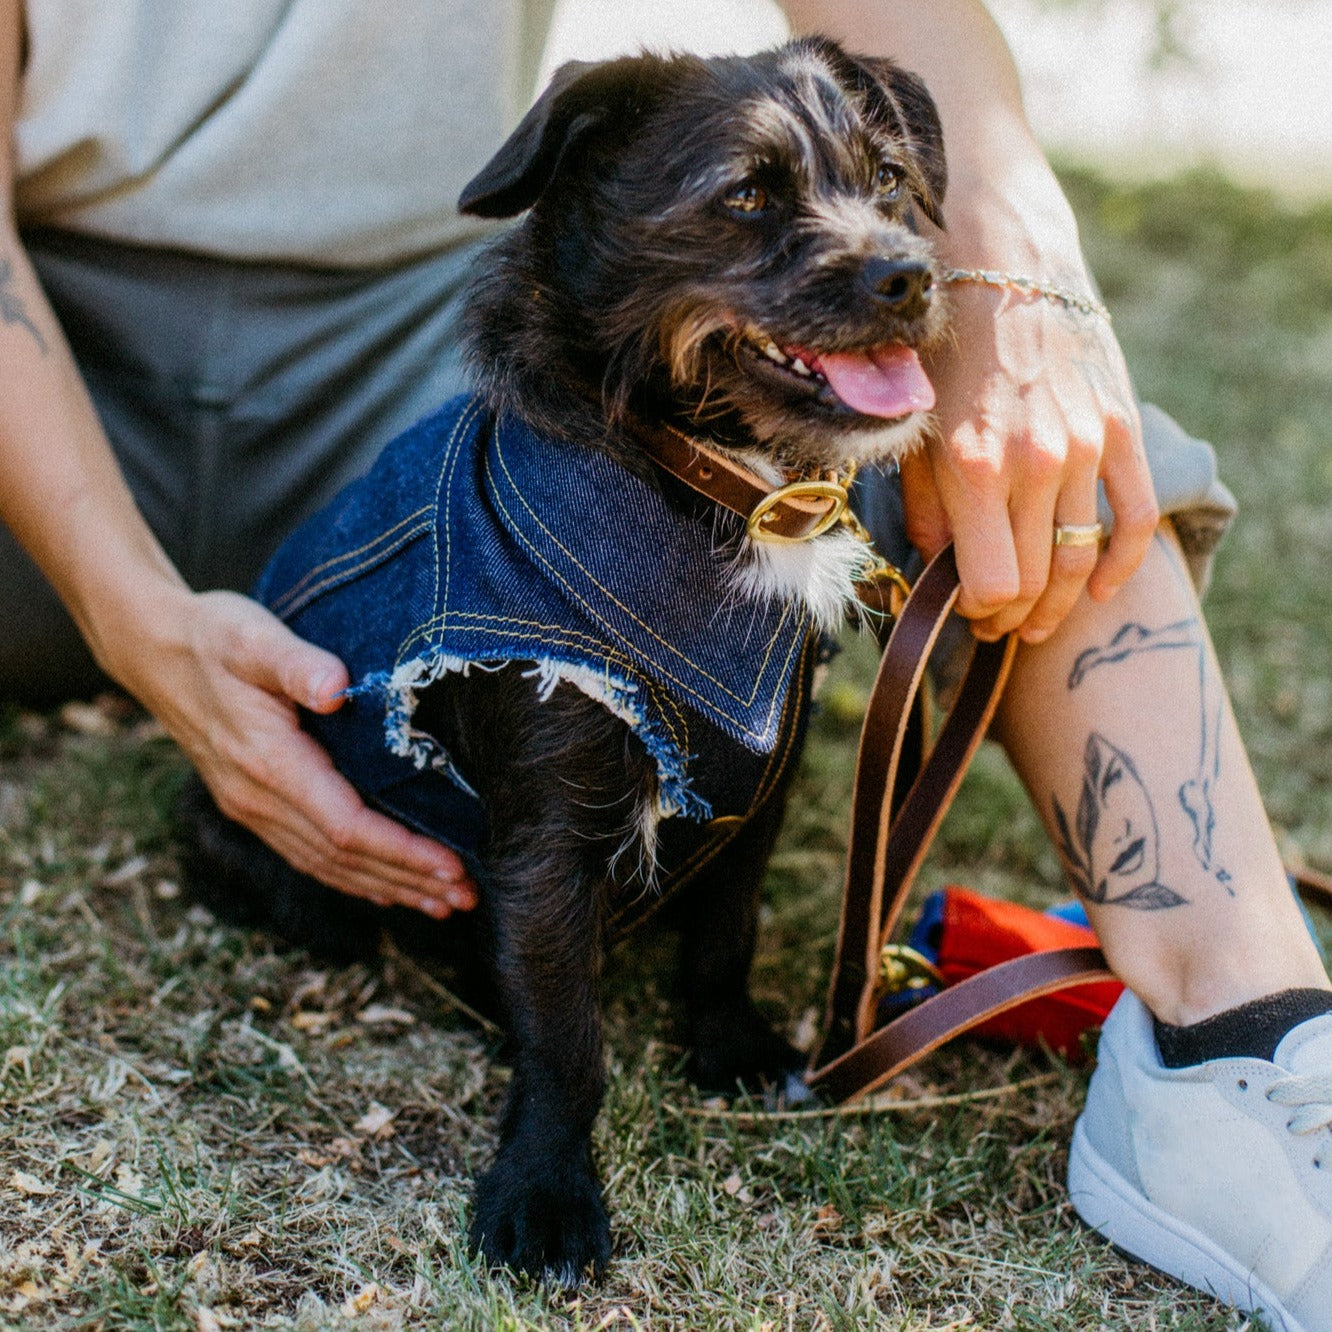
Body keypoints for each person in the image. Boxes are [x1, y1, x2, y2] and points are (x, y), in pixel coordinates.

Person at [2, 1, 1328, 1324]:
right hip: (49, 344)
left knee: (1071, 444)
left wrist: (1019, 267)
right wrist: (132, 617)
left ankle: (1243, 1024)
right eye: (763, 194)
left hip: (415, 314)